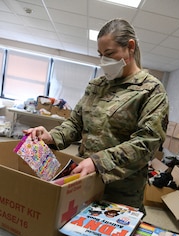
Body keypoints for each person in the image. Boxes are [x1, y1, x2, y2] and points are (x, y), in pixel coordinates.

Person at [24, 18, 169, 215]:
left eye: (109, 54)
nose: (104, 61)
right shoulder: (97, 86)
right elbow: (75, 123)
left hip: (120, 191)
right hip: (83, 182)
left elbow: (147, 143)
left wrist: (98, 162)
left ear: (130, 47)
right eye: (101, 55)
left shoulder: (151, 90)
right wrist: (51, 136)